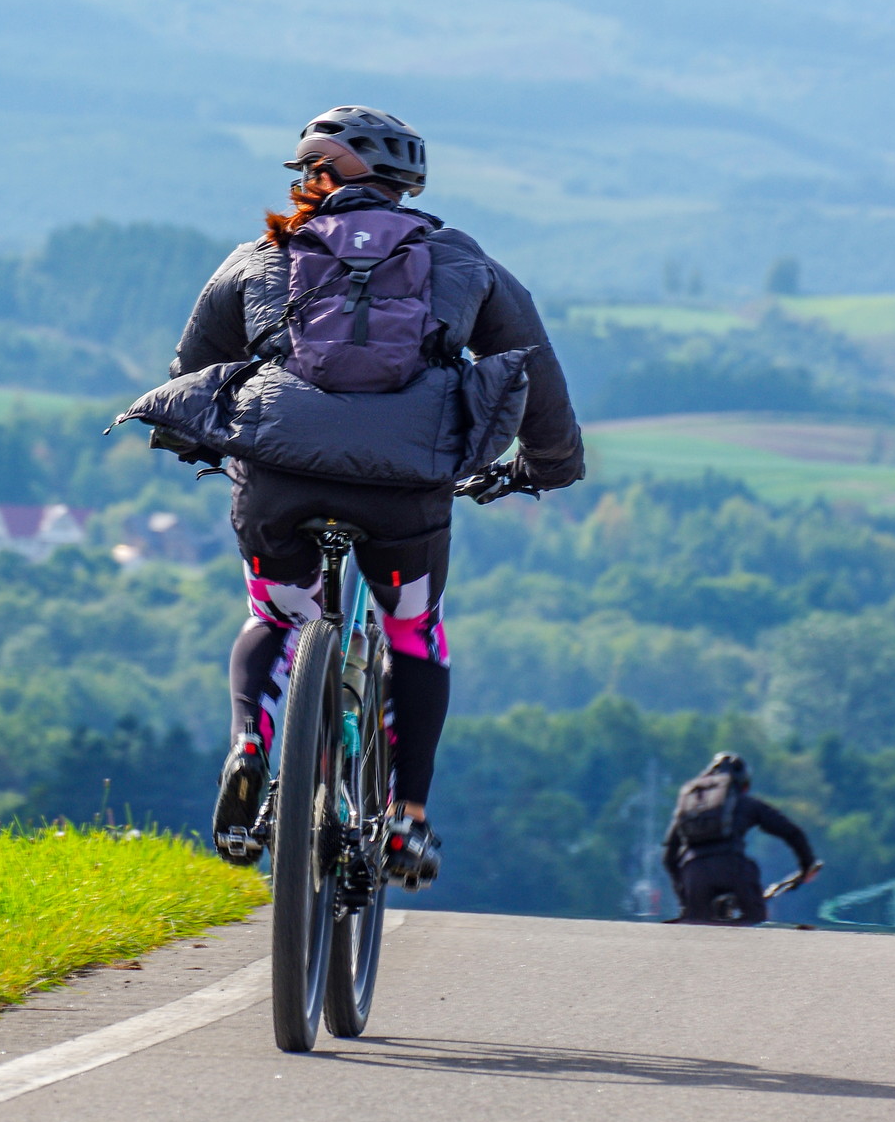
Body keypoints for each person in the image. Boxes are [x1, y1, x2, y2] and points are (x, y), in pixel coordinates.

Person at [147, 104, 584, 887]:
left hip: (278, 477)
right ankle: (409, 820)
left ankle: (251, 745)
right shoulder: (458, 258)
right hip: (405, 489)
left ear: (313, 177)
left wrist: (196, 439)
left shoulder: (262, 255)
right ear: (403, 184)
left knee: (276, 614)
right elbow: (536, 369)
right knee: (414, 633)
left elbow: (191, 367)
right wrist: (546, 466)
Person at [662, 752, 820, 924]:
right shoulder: (747, 803)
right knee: (755, 920)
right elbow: (792, 832)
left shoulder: (690, 808)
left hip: (694, 874)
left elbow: (669, 859)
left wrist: (685, 897)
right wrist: (807, 866)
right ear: (743, 786)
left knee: (695, 927)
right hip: (733, 870)